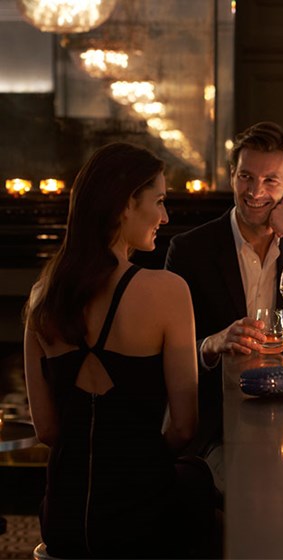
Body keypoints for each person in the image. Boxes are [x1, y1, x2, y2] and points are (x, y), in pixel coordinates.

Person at [24, 142, 218, 559]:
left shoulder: (42, 297)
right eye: (160, 201)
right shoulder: (167, 291)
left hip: (64, 518)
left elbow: (47, 431)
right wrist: (137, 460)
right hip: (140, 517)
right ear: (126, 204)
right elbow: (184, 428)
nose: (165, 217)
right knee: (202, 487)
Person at [165, 121, 283, 458]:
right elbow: (166, 352)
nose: (254, 192)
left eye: (270, 181)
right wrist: (212, 343)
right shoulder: (190, 250)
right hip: (218, 430)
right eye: (246, 177)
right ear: (233, 175)